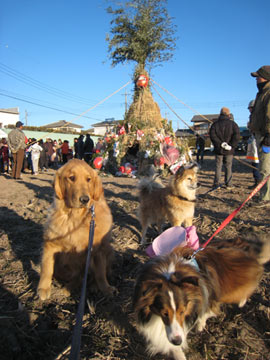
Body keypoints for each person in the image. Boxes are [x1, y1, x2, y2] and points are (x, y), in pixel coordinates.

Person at [249, 65, 270, 206]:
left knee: (265, 167)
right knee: (264, 166)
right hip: (260, 134)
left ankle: (265, 198)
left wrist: (268, 136)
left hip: (265, 136)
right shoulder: (261, 94)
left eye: (258, 77)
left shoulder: (268, 93)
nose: (256, 79)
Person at [209, 107, 240, 190]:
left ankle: (216, 184)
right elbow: (236, 136)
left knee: (218, 166)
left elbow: (212, 135)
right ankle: (229, 184)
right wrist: (231, 145)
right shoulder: (233, 124)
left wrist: (220, 144)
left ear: (220, 114)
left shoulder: (215, 124)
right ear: (229, 114)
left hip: (218, 149)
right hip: (229, 150)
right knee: (228, 166)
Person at [246, 100, 260, 189]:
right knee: (254, 161)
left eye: (250, 108)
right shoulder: (253, 116)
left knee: (257, 161)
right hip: (254, 140)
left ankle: (258, 180)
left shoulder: (257, 116)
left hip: (258, 141)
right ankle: (257, 180)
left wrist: (250, 126)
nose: (249, 110)